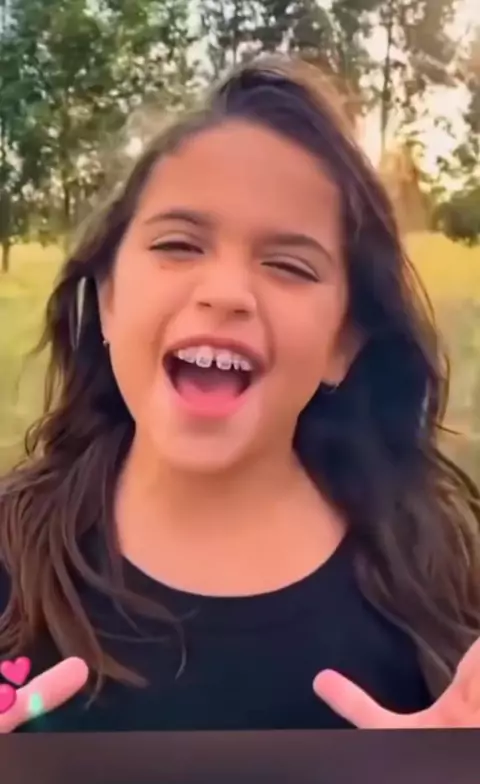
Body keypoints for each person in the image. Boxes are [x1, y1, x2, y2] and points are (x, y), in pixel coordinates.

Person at [0, 56, 479, 735]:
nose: (226, 293)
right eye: (178, 244)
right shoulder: (11, 555)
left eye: (288, 265)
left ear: (344, 343)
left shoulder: (435, 578)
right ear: (107, 298)